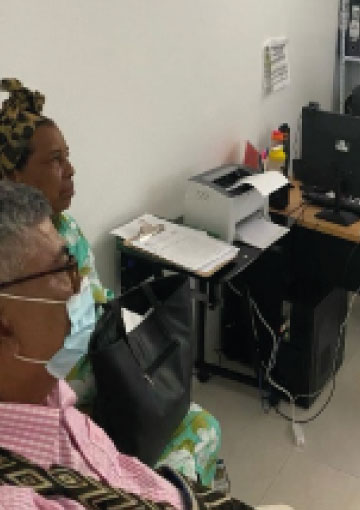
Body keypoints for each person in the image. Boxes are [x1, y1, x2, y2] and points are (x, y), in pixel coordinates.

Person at [0, 181, 292, 510]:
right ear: (3, 324)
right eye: (62, 269)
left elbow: (118, 470)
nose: (79, 284)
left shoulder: (47, 392)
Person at [0, 79, 220, 485]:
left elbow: (100, 310)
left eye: (68, 156)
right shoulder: (15, 263)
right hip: (64, 402)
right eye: (55, 160)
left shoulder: (68, 230)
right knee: (184, 447)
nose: (70, 170)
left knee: (202, 422)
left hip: (109, 375)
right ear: (13, 174)